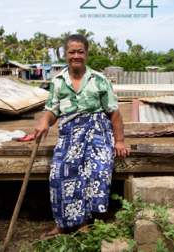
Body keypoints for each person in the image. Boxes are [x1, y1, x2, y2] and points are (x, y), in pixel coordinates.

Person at [34, 34, 129, 238]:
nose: (76, 55)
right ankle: (62, 224)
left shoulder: (99, 80)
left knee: (97, 171)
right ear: (65, 54)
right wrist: (44, 121)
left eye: (80, 51)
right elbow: (52, 111)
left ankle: (87, 223)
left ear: (86, 54)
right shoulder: (58, 81)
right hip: (69, 135)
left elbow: (114, 113)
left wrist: (119, 141)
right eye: (72, 52)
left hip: (98, 134)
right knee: (59, 175)